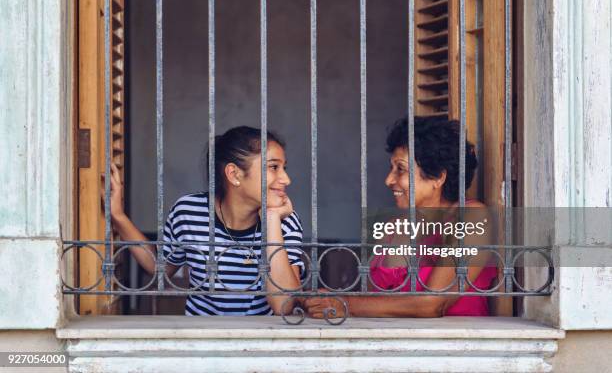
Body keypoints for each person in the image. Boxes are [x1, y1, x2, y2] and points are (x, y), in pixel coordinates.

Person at [304, 116, 497, 318]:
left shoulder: (472, 217)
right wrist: (322, 299)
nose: (389, 180)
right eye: (391, 168)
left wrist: (345, 304)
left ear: (438, 177)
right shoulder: (394, 226)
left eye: (401, 169)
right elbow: (367, 300)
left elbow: (433, 304)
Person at [109, 126, 304, 316]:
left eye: (283, 168)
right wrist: (117, 215)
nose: (286, 179)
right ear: (234, 174)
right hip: (202, 336)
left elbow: (283, 305)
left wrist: (271, 220)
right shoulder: (189, 211)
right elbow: (161, 268)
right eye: (273, 167)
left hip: (262, 340)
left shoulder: (284, 219)